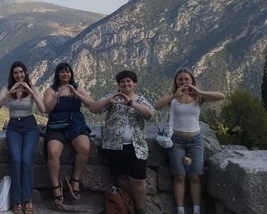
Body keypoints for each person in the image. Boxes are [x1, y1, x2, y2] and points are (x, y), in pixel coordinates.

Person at [154, 68, 225, 214]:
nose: (184, 82)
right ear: (176, 81)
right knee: (179, 176)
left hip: (195, 140)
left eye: (187, 79)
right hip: (176, 141)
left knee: (195, 176)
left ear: (192, 80)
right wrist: (174, 95)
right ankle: (180, 210)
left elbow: (221, 96)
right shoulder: (172, 97)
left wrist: (199, 92)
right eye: (180, 79)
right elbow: (157, 106)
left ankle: (196, 209)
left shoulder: (198, 97)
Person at [89, 70, 154, 214]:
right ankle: (127, 206)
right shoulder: (112, 98)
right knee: (122, 178)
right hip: (113, 146)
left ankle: (140, 209)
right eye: (123, 81)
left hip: (136, 146)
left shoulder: (140, 99)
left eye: (129, 81)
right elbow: (93, 109)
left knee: (139, 180)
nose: (126, 83)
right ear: (119, 84)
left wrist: (130, 103)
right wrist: (108, 100)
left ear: (134, 84)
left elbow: (149, 113)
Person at [0, 61, 45, 214]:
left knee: (26, 160)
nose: (19, 75)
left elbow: (42, 109)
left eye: (21, 72)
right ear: (12, 75)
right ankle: (16, 201)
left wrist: (30, 90)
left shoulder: (33, 88)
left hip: (30, 126)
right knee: (16, 160)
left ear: (26, 73)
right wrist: (9, 94)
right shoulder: (7, 88)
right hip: (14, 127)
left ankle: (27, 200)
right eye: (16, 73)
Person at [42, 62, 94, 208]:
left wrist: (77, 95)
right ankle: (55, 185)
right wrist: (57, 96)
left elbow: (92, 104)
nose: (65, 74)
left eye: (68, 72)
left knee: (84, 148)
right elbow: (46, 109)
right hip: (57, 125)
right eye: (62, 72)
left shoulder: (77, 88)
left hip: (76, 124)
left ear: (71, 74)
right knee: (53, 151)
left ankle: (75, 180)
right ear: (57, 75)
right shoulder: (51, 90)